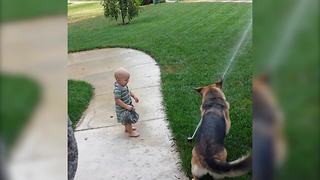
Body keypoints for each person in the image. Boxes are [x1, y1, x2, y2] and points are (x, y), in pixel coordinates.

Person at [113, 67, 140, 137]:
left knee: (127, 119)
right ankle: (131, 132)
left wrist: (134, 97)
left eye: (128, 79)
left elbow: (129, 92)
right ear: (118, 80)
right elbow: (117, 100)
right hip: (123, 108)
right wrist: (126, 106)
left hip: (127, 106)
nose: (127, 81)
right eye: (126, 80)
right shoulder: (117, 90)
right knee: (128, 120)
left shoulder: (123, 85)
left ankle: (127, 129)